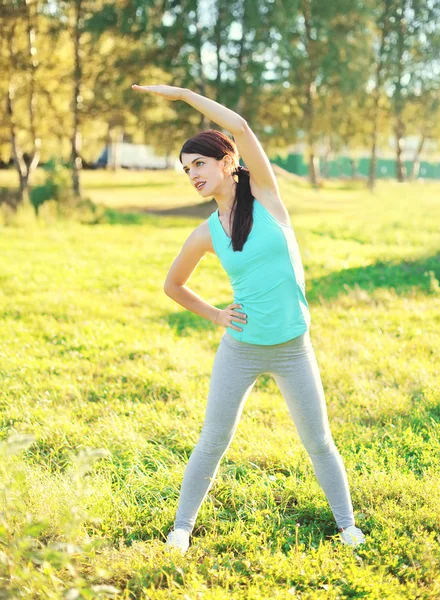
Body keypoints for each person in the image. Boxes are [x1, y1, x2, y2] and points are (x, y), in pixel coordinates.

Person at [132, 83, 367, 555]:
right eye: (186, 168)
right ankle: (181, 530)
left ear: (226, 162)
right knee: (212, 441)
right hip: (240, 349)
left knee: (319, 441)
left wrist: (181, 95)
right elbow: (172, 286)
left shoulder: (266, 198)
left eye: (198, 163)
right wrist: (217, 314)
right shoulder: (205, 233)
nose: (192, 174)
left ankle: (347, 527)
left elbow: (238, 126)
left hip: (293, 348)